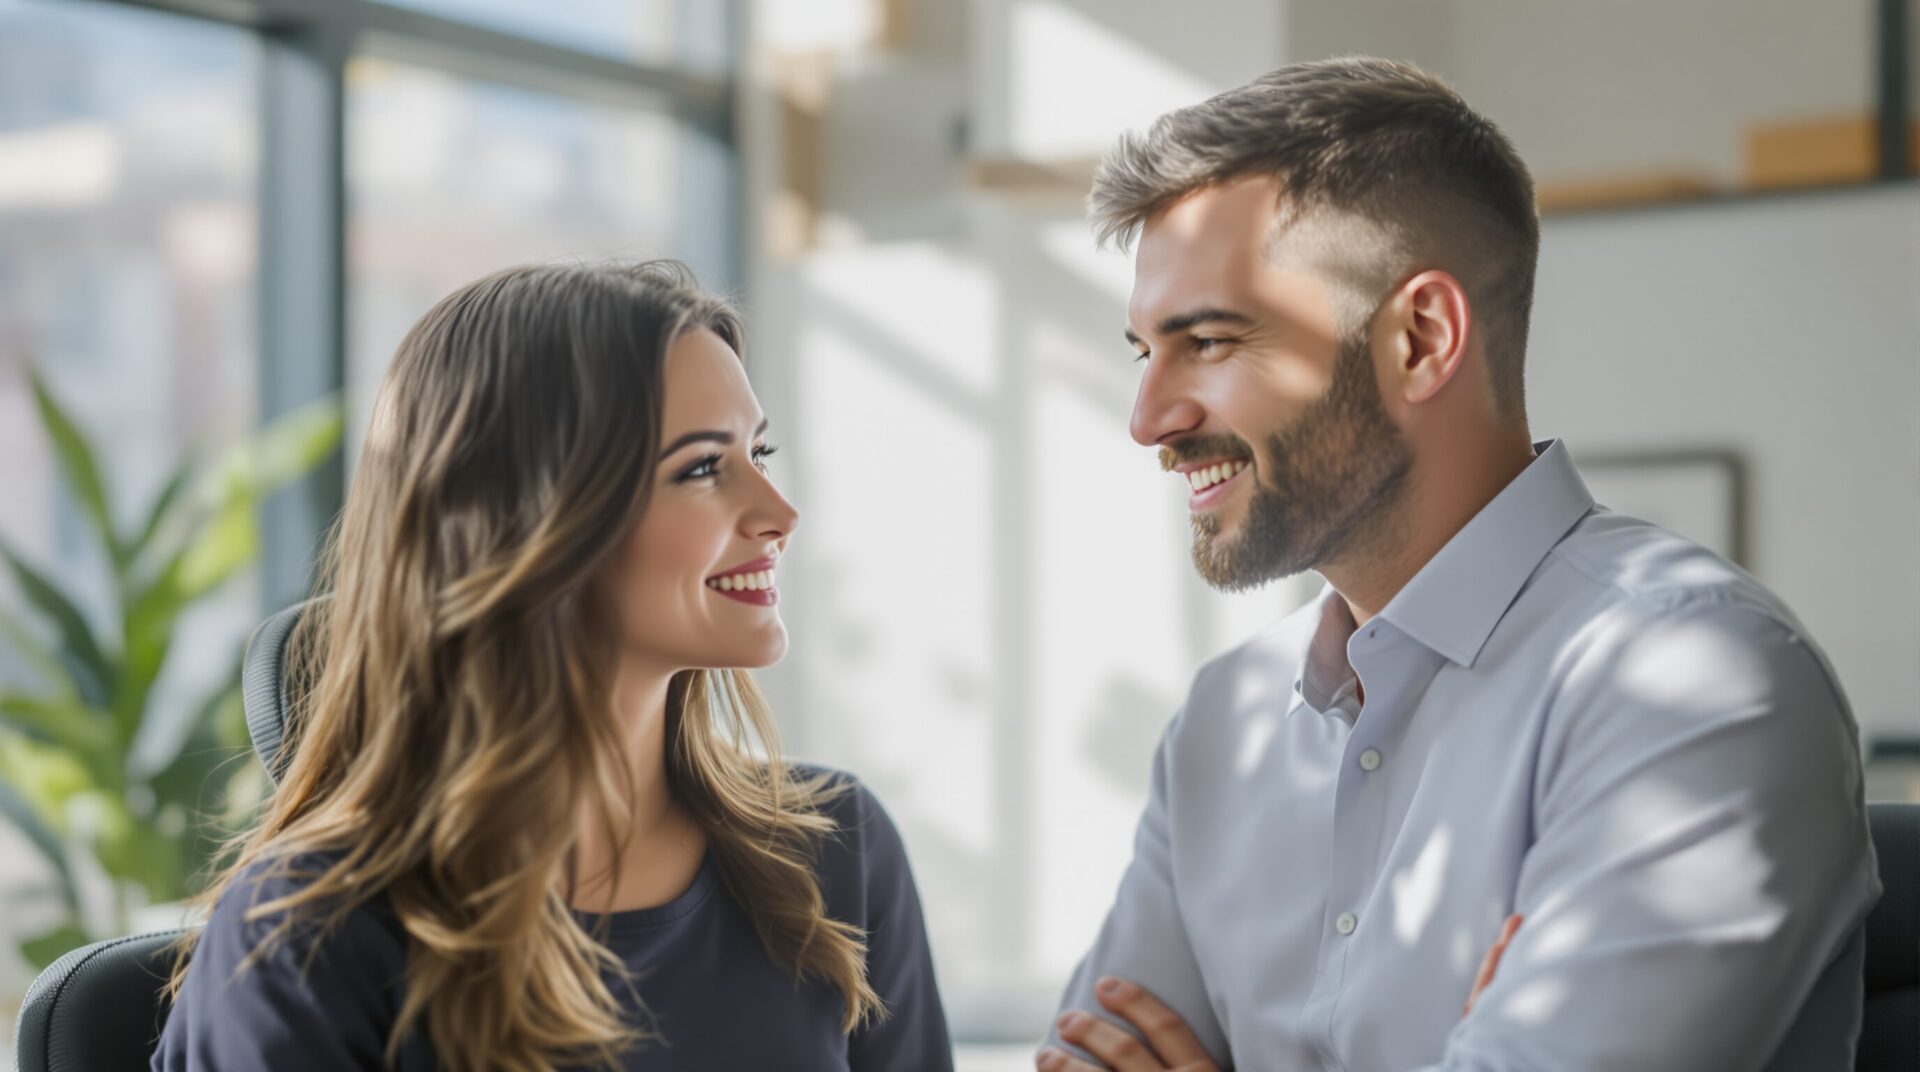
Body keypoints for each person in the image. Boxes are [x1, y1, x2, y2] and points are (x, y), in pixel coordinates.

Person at [1040, 58, 1879, 1071]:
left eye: (1209, 341)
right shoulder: (1224, 724)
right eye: (1143, 352)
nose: (1148, 421)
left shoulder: (1698, 677)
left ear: (1423, 338)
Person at [154, 262, 953, 1071]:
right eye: (703, 468)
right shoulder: (304, 941)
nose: (780, 515)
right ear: (531, 525)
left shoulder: (838, 853)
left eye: (759, 451)